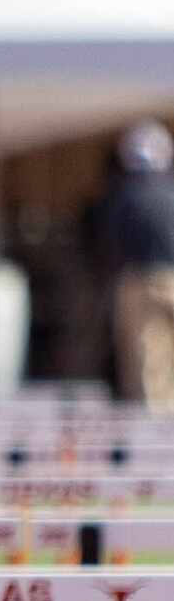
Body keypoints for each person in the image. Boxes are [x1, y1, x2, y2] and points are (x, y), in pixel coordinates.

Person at [102, 120, 174, 410]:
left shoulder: (126, 197)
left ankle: (156, 426)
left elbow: (111, 243)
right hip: (168, 278)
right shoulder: (169, 194)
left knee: (146, 359)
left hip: (142, 281)